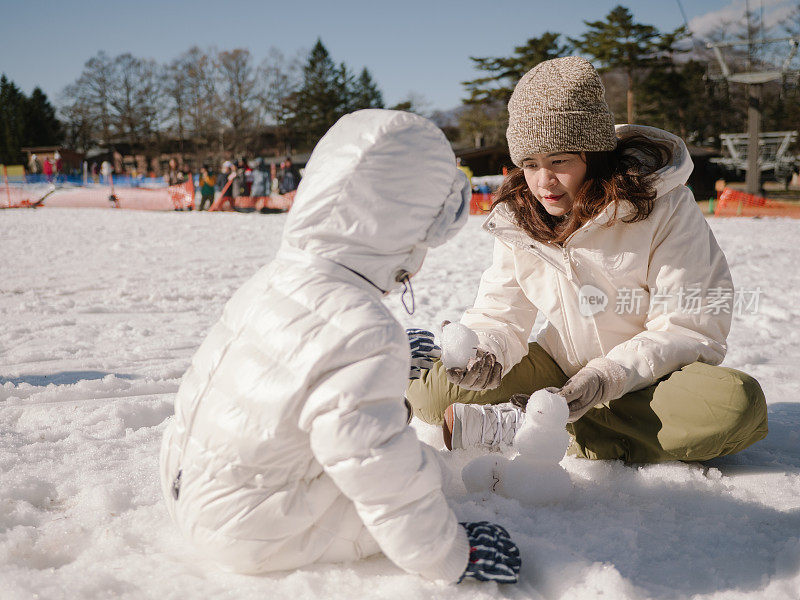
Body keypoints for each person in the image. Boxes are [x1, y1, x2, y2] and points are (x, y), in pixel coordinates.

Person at [159, 109, 521, 584]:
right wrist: (452, 554)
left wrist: (383, 376)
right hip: (253, 531)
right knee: (424, 470)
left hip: (185, 486)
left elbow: (299, 384)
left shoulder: (272, 279)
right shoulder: (360, 329)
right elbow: (379, 471)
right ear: (404, 230)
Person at [407, 56, 768, 463]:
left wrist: (608, 376)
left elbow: (690, 325)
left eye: (559, 160)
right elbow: (501, 311)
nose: (543, 182)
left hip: (649, 377)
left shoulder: (664, 207)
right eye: (530, 164)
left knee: (735, 407)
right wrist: (487, 350)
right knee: (436, 396)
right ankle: (434, 357)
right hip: (561, 362)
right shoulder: (520, 218)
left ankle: (526, 426)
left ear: (593, 155)